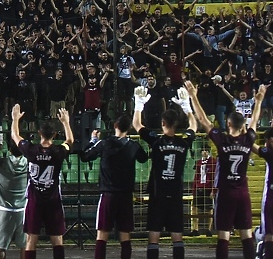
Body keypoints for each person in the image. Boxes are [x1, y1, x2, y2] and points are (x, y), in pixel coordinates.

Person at [186, 80, 266, 259]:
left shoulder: (222, 141)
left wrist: (193, 96)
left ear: (228, 124)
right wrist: (259, 101)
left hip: (226, 193)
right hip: (242, 193)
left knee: (224, 236)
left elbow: (203, 120)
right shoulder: (248, 139)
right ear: (242, 126)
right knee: (246, 235)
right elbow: (254, 120)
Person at [132, 86, 197, 259]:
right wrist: (187, 107)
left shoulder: (155, 140)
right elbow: (194, 126)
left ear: (162, 123)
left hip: (157, 193)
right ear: (176, 124)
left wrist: (139, 105)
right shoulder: (183, 144)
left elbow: (137, 125)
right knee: (177, 234)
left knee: (154, 235)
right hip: (175, 193)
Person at [79, 114, 149, 259]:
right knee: (125, 235)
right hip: (125, 195)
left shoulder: (104, 144)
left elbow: (85, 156)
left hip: (108, 194)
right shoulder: (132, 146)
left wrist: (93, 140)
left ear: (115, 126)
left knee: (102, 234)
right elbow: (143, 158)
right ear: (129, 128)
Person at [11, 105, 73, 259]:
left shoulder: (31, 150)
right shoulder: (58, 151)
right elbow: (70, 141)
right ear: (55, 134)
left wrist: (15, 119)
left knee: (31, 238)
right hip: (53, 200)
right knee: (57, 238)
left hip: (34, 200)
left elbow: (15, 135)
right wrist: (66, 122)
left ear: (39, 133)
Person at [0, 138, 29, 259]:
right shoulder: (28, 163)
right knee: (25, 246)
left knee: (0, 247)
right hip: (22, 210)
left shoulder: (3, 162)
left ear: (10, 150)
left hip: (4, 209)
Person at [253, 128, 273, 259]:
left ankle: (264, 250)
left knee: (268, 232)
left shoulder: (270, 153)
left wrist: (244, 133)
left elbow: (254, 147)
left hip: (271, 197)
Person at [192, 148, 216, 235]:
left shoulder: (213, 161)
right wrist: (194, 189)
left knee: (209, 209)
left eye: (206, 150)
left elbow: (215, 176)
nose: (204, 152)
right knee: (195, 207)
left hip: (208, 188)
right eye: (203, 150)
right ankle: (195, 229)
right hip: (199, 187)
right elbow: (196, 176)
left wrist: (213, 190)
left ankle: (209, 229)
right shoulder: (198, 162)